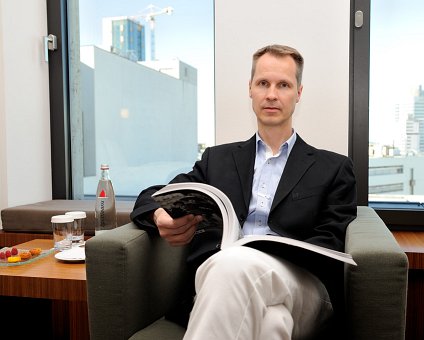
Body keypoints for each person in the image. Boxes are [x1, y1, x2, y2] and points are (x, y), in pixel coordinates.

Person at [131, 44, 357, 339]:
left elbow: (332, 241)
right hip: (226, 284)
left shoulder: (334, 168)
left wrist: (259, 252)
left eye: (283, 85)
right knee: (273, 323)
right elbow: (154, 195)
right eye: (263, 83)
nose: (272, 94)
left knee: (233, 263)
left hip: (304, 287)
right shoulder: (218, 160)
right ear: (250, 89)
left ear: (298, 93)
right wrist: (160, 213)